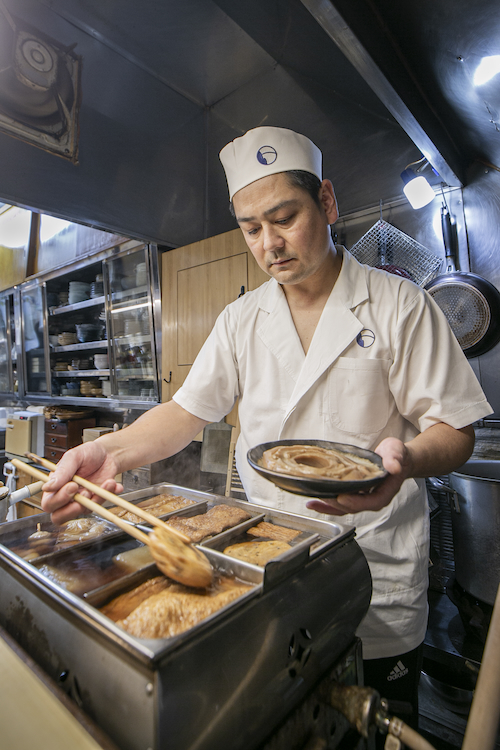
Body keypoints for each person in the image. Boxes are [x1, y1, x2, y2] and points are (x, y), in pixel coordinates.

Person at [42, 126, 491, 724]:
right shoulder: (240, 320)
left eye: (285, 217)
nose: (269, 244)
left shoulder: (399, 304)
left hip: (373, 569)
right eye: (252, 229)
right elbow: (185, 412)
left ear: (327, 203)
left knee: (380, 724)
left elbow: (455, 429)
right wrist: (115, 454)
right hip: (268, 566)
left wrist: (406, 460)